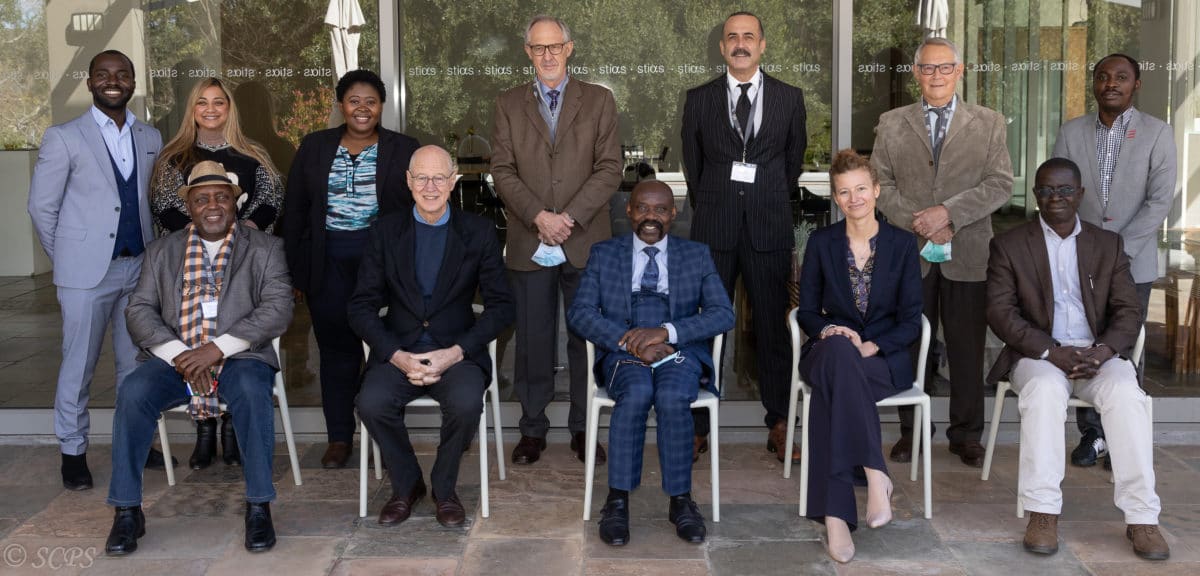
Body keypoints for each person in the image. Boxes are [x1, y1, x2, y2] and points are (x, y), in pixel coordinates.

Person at [105, 161, 293, 555]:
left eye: (222, 197)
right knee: (134, 391)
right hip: (176, 359)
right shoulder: (161, 251)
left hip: (242, 357)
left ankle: (258, 505)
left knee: (251, 393)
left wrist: (216, 349)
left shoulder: (266, 248)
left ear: (235, 204)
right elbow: (138, 310)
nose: (212, 205)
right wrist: (182, 356)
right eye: (202, 198)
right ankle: (127, 511)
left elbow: (277, 308)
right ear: (188, 206)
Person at [986, 157, 1168, 561]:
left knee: (1126, 396)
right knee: (1045, 392)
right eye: (1047, 190)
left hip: (1096, 355)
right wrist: (1052, 350)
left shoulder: (1107, 244)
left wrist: (1103, 351)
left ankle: (1142, 517)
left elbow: (1128, 311)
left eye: (1065, 190)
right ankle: (1043, 512)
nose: (1056, 198)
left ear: (1080, 194)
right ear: (1035, 195)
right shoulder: (1010, 245)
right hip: (1040, 354)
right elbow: (1001, 312)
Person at [350, 146, 515, 527]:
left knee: (466, 402)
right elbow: (360, 306)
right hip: (399, 353)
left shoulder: (478, 232)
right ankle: (407, 485)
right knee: (371, 403)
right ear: (408, 182)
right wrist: (395, 355)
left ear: (453, 181)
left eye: (439, 177)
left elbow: (501, 307)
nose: (430, 186)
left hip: (456, 354)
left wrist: (455, 353)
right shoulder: (385, 231)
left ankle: (444, 488)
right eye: (421, 177)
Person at [27, 50, 168, 490]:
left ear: (133, 82)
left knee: (135, 365)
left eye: (122, 74)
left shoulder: (151, 136)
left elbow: (152, 202)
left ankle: (136, 441)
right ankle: (73, 450)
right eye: (104, 75)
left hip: (139, 268)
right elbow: (41, 208)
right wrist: (69, 258)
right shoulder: (64, 137)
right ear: (89, 83)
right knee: (79, 364)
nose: (113, 81)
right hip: (86, 274)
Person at [871, 37, 1013, 468]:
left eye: (944, 67)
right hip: (910, 252)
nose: (936, 75)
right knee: (910, 344)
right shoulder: (892, 122)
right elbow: (880, 185)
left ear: (960, 70)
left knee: (967, 347)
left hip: (967, 251)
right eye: (927, 68)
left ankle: (966, 434)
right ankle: (912, 431)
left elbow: (1000, 183)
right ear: (915, 73)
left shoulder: (988, 123)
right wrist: (920, 219)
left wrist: (948, 214)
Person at [567, 180, 734, 546]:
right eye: (643, 208)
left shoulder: (696, 254)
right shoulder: (605, 253)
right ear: (629, 210)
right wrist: (629, 342)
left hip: (679, 348)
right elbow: (579, 313)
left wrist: (667, 332)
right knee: (638, 392)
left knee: (674, 396)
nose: (651, 217)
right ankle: (617, 500)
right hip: (625, 348)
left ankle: (680, 500)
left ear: (673, 214)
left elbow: (724, 313)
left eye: (660, 210)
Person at [491, 14, 622, 466]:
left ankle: (585, 429)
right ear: (528, 52)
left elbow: (610, 168)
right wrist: (537, 217)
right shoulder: (507, 103)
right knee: (532, 338)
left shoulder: (600, 101)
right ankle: (532, 429)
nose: (546, 55)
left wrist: (567, 218)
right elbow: (502, 170)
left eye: (554, 47)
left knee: (586, 338)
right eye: (537, 48)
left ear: (569, 48)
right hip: (530, 240)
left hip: (585, 238)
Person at [681, 11, 807, 462]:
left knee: (773, 329)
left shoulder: (790, 99)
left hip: (768, 227)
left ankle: (778, 423)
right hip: (714, 229)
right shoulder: (698, 99)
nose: (740, 43)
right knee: (704, 327)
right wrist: (719, 202)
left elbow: (791, 166)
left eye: (748, 36)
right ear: (722, 48)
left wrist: (763, 200)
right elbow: (692, 168)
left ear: (762, 45)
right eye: (731, 37)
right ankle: (698, 425)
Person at [284, 69, 420, 469]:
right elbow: (295, 212)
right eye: (354, 101)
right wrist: (296, 271)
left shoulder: (403, 147)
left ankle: (384, 432)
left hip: (383, 267)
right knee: (337, 353)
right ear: (341, 105)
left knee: (384, 350)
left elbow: (419, 209)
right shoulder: (314, 146)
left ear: (382, 106)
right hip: (328, 265)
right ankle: (340, 437)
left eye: (371, 101)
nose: (362, 108)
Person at [794, 150, 923, 563]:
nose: (855, 199)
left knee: (835, 389)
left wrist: (873, 345)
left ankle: (835, 517)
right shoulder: (821, 242)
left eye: (861, 189)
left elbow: (910, 319)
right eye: (845, 192)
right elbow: (809, 310)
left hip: (882, 359)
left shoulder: (903, 245)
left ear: (877, 191)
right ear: (836, 198)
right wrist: (832, 330)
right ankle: (875, 471)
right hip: (828, 348)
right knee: (837, 354)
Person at [150, 77, 285, 470]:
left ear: (230, 109)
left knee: (232, 336)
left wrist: (235, 239)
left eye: (219, 102)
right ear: (192, 109)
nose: (211, 109)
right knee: (196, 338)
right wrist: (206, 238)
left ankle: (232, 429)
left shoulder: (254, 154)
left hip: (240, 269)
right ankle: (204, 431)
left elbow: (271, 201)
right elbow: (166, 209)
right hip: (189, 271)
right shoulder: (173, 157)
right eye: (202, 103)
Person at [1051, 53, 1177, 470]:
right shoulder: (1072, 132)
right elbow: (1060, 193)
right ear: (1094, 84)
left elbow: (1160, 201)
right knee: (1086, 339)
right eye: (1103, 77)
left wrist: (1118, 250)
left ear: (1136, 84)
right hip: (1078, 262)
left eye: (1121, 77)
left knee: (1123, 346)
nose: (1111, 84)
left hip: (1132, 262)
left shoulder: (1158, 134)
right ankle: (1093, 434)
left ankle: (1124, 435)